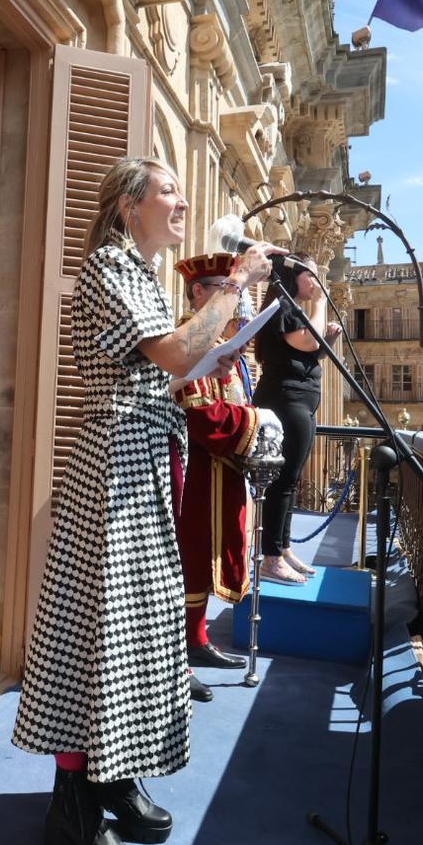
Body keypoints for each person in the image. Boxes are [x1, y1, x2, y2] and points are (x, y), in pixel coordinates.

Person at [10, 158, 276, 845]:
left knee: (134, 625)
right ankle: (74, 809)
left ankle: (112, 776)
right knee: (102, 626)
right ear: (130, 206)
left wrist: (216, 333)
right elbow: (174, 352)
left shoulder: (138, 272)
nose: (183, 201)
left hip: (140, 456)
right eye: (168, 191)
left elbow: (175, 362)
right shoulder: (108, 266)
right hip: (113, 463)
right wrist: (235, 286)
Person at [169, 252, 284, 690]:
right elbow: (201, 416)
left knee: (203, 557)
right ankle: (178, 656)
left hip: (221, 469)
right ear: (198, 292)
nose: (233, 302)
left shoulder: (225, 347)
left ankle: (195, 640)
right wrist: (256, 424)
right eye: (224, 289)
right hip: (190, 469)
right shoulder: (187, 339)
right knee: (186, 558)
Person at [252, 252, 343, 584]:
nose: (316, 282)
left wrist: (327, 338)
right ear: (292, 276)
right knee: (283, 481)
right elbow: (305, 341)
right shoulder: (284, 308)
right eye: (311, 275)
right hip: (285, 400)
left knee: (289, 480)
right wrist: (320, 306)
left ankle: (283, 547)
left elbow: (306, 352)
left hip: (298, 400)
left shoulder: (292, 309)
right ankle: (271, 557)